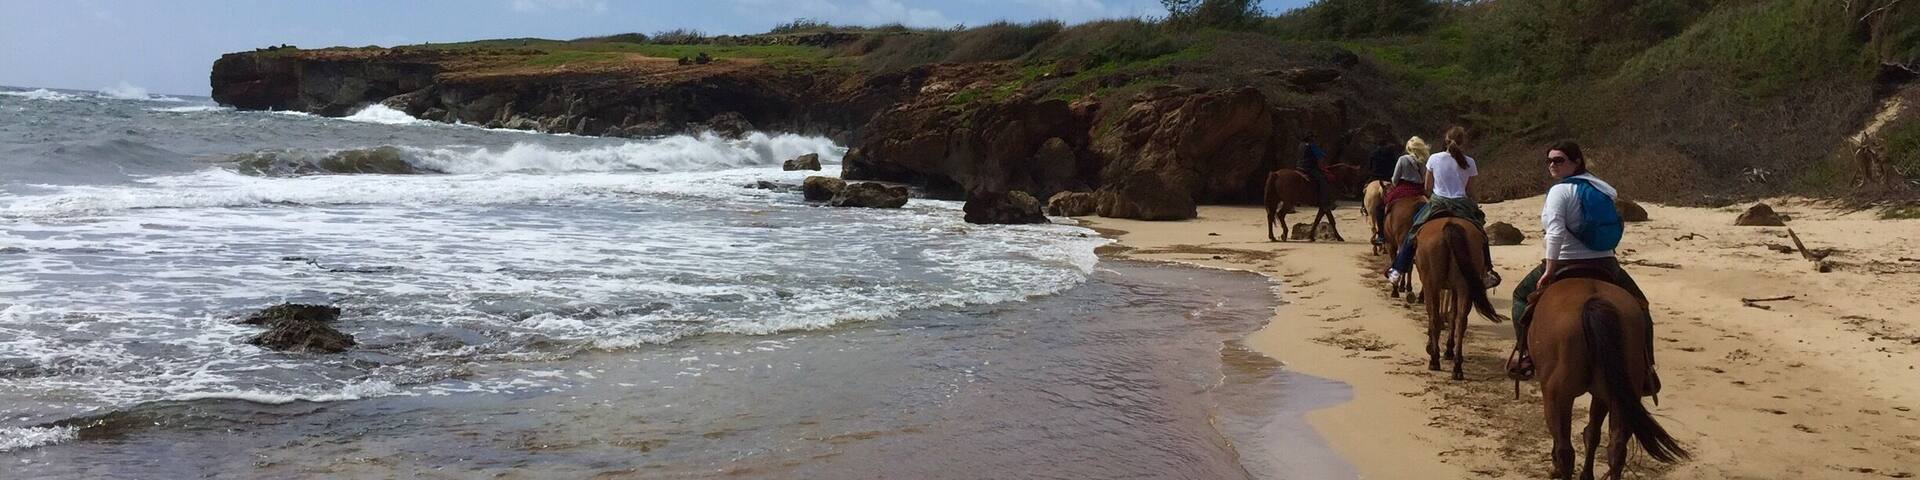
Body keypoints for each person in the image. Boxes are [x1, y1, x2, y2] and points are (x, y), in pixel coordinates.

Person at [1505, 141, 1650, 379]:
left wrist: (1550, 269)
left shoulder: (1559, 191)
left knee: (1520, 296)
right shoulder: (1602, 188)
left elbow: (1555, 232)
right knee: (1640, 307)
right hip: (1605, 263)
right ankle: (1646, 368)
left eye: (1559, 160)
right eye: (1549, 160)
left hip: (1565, 262)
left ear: (1576, 162)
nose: (1553, 165)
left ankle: (1527, 354)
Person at [1385, 127, 1497, 288]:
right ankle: (1486, 272)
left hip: (1438, 203)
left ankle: (1397, 270)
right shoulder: (1470, 162)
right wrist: (1474, 201)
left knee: (1413, 232)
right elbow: (1470, 190)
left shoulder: (1434, 159)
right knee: (1481, 234)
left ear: (1445, 140)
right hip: (1462, 203)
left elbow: (1428, 187)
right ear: (1463, 142)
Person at [1376, 136, 1429, 243]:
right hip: (1419, 191)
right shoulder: (1424, 161)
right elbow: (1424, 178)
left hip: (1402, 189)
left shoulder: (1403, 159)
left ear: (1408, 148)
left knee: (1380, 208)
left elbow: (1395, 180)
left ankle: (1381, 235)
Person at [1366, 134, 1403, 244]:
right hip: (1388, 179)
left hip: (1374, 178)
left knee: (1365, 192)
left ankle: (1365, 208)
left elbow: (1369, 167)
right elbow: (1395, 168)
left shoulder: (1373, 153)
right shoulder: (1392, 154)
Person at [1299, 132, 1332, 208]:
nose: (1314, 139)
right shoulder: (1312, 146)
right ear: (1310, 138)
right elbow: (1321, 156)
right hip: (1309, 168)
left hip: (1299, 167)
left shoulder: (1300, 145)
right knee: (1323, 181)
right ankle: (1324, 201)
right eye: (1313, 137)